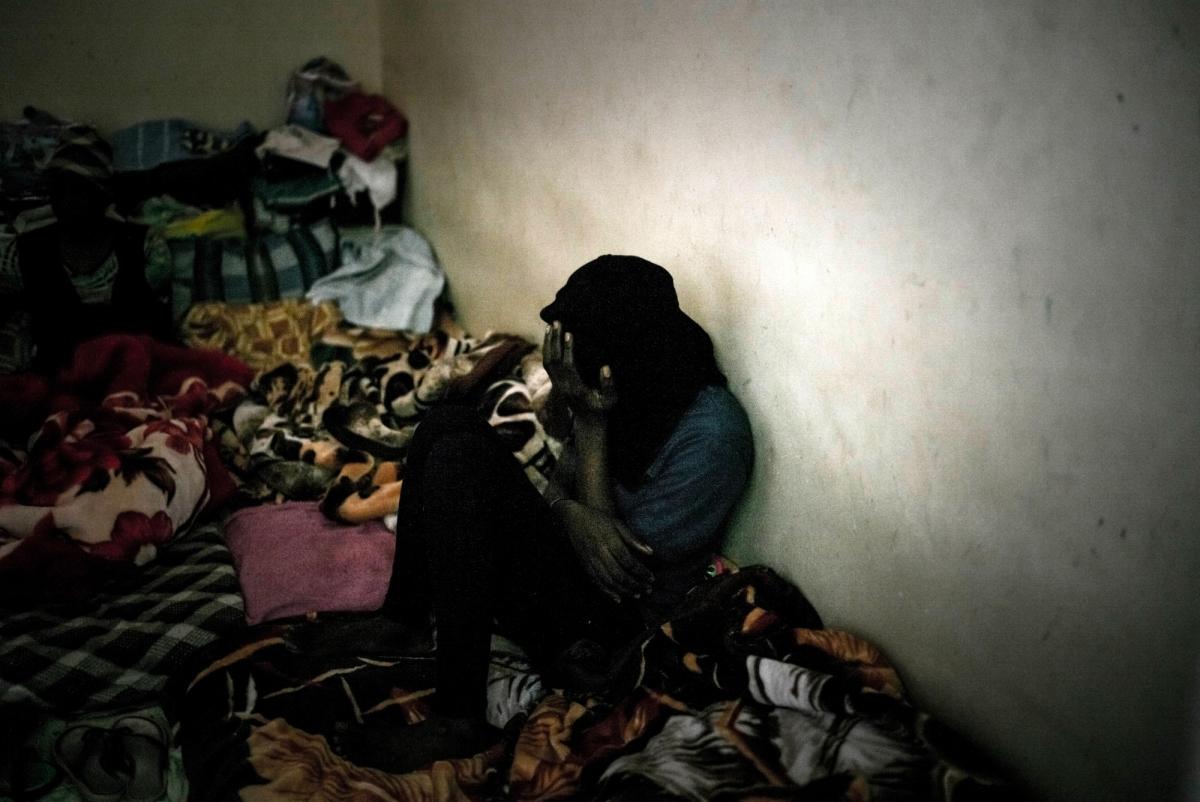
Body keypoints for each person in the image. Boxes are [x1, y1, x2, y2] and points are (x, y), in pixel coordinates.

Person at [335, 255, 754, 771]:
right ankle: (403, 618)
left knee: (463, 462)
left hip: (610, 630)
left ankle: (459, 715)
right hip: (577, 577)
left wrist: (593, 426)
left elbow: (616, 575)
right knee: (445, 426)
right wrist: (565, 501)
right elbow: (562, 492)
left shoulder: (712, 436)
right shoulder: (627, 379)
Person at [16, 132, 170, 373]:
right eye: (58, 190)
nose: (67, 202)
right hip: (58, 382)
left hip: (133, 377)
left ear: (102, 195)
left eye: (79, 191)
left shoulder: (143, 246)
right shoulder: (29, 249)